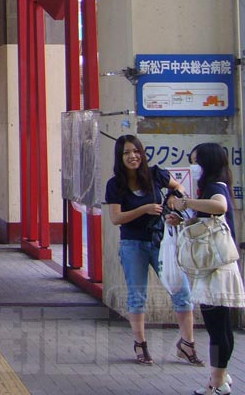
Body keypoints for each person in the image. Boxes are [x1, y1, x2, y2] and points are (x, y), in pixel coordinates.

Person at [105, 134, 200, 366]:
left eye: (135, 151)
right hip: (133, 244)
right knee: (137, 296)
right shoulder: (115, 184)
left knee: (181, 291)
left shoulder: (156, 174)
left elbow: (179, 189)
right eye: (126, 152)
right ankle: (141, 345)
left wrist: (171, 198)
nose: (132, 156)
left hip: (161, 242)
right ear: (120, 157)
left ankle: (187, 345)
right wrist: (145, 209)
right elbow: (116, 218)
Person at [167, 143, 245, 395]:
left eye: (196, 161)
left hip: (215, 269)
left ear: (207, 164)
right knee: (220, 326)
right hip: (218, 266)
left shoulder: (214, 188)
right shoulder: (217, 185)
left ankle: (217, 381)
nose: (193, 166)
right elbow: (208, 221)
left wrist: (186, 202)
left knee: (216, 328)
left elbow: (219, 207)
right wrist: (184, 217)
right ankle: (220, 376)